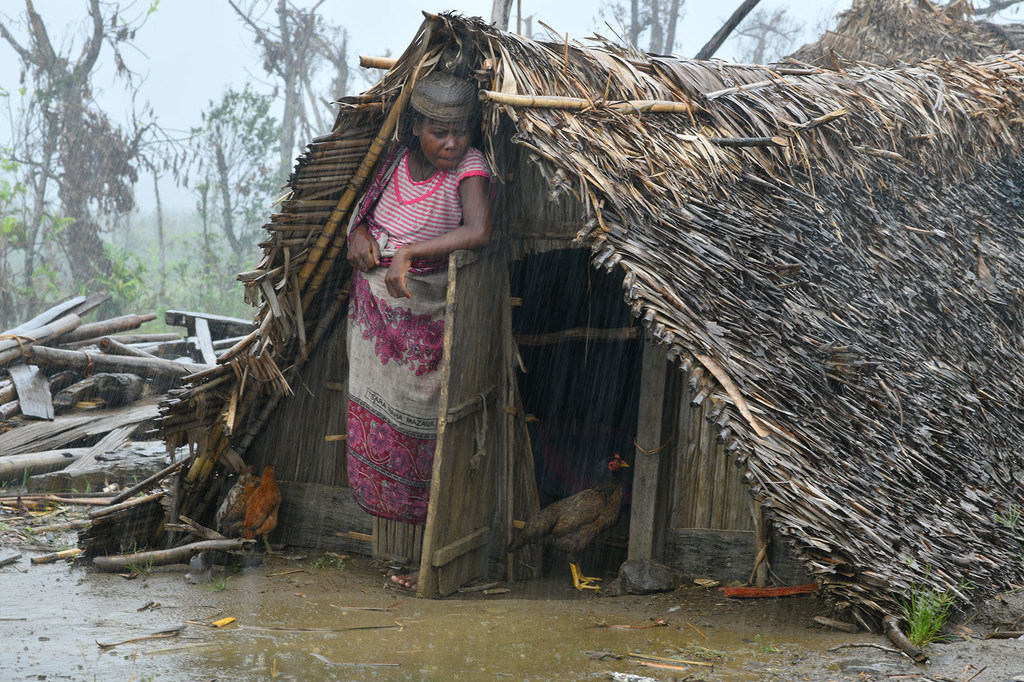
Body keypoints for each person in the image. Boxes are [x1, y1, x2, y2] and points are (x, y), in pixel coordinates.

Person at [344, 72, 491, 592]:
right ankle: (405, 555)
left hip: (425, 319)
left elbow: (477, 231)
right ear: (415, 128)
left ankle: (431, 559)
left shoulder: (469, 169)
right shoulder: (389, 166)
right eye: (439, 131)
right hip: (375, 321)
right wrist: (360, 238)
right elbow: (355, 220)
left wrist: (409, 253)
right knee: (382, 436)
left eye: (461, 130)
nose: (452, 142)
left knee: (429, 440)